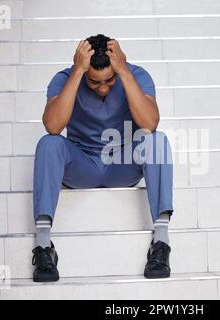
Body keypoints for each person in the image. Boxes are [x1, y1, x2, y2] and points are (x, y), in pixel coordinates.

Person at [31, 34, 174, 282]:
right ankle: (44, 246)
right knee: (48, 143)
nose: (104, 87)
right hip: (82, 165)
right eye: (95, 82)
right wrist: (77, 73)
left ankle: (161, 243)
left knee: (156, 140)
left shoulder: (135, 75)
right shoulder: (65, 79)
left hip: (121, 164)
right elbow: (53, 126)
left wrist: (124, 72)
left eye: (110, 79)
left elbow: (150, 123)